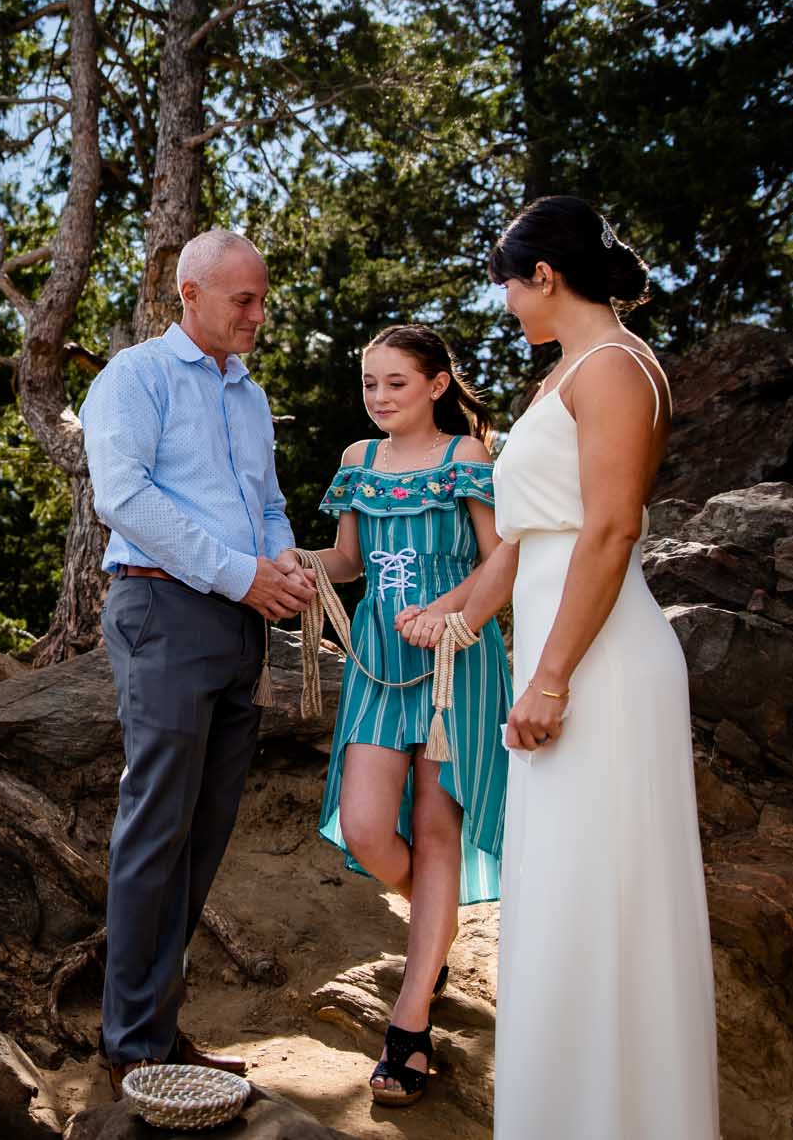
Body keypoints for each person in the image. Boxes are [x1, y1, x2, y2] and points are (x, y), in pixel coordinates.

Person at [453, 196, 720, 1138]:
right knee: (559, 908)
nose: (509, 310)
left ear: (546, 277)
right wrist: (452, 617)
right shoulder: (557, 376)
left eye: (510, 290)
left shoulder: (614, 369)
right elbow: (527, 538)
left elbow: (609, 529)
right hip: (563, 658)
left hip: (602, 670)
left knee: (604, 904)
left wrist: (552, 675)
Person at [80, 227, 317, 1095]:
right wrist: (239, 573)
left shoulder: (249, 397)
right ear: (188, 294)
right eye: (241, 299)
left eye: (261, 298)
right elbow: (124, 496)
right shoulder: (133, 377)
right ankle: (133, 1046)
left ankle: (154, 1026)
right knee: (157, 828)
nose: (258, 313)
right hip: (164, 611)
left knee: (205, 831)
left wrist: (281, 562)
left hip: (239, 620)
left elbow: (269, 504)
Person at [305, 324, 511, 1107]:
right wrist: (286, 560)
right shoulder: (358, 461)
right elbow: (347, 561)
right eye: (370, 383)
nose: (381, 396)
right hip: (378, 664)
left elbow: (503, 558)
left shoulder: (467, 459)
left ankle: (411, 1016)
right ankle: (437, 926)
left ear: (435, 384)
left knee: (434, 827)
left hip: (458, 660)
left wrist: (446, 611)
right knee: (364, 826)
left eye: (396, 382)